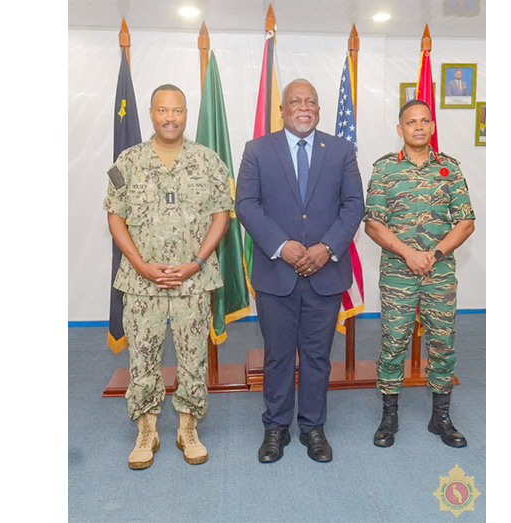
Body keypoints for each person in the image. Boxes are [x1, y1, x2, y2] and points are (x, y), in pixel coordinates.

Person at [102, 84, 232, 469]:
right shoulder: (127, 162)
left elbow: (221, 215)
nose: (170, 118)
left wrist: (196, 261)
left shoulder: (208, 161)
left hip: (193, 280)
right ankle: (147, 429)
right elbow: (115, 216)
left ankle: (188, 427)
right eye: (163, 111)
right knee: (142, 357)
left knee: (193, 358)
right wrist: (141, 265)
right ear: (152, 113)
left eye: (177, 111)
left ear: (186, 114)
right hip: (143, 283)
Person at [236, 78, 364, 463]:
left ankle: (312, 428)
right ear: (283, 110)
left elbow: (354, 204)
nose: (303, 107)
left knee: (316, 356)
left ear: (320, 110)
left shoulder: (341, 150)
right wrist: (281, 246)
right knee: (277, 355)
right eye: (295, 101)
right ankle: (275, 427)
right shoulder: (257, 150)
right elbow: (246, 204)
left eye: (310, 101)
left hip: (325, 273)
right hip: (276, 274)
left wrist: (326, 248)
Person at [364, 99, 475, 449]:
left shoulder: (450, 169)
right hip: (398, 273)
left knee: (442, 343)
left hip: (438, 274)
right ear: (401, 129)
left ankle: (440, 416)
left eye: (425, 121)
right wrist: (409, 254)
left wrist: (434, 253)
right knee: (393, 342)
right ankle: (389, 415)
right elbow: (373, 224)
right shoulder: (384, 170)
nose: (419, 127)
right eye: (411, 122)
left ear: (432, 127)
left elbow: (466, 222)